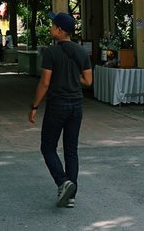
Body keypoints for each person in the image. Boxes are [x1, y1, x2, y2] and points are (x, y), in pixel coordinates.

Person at [28, 12, 91, 208]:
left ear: (60, 30)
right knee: (71, 150)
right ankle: (71, 196)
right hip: (76, 106)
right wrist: (73, 79)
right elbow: (88, 81)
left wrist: (34, 106)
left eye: (52, 25)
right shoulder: (81, 52)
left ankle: (63, 182)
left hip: (57, 106)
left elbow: (45, 82)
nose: (50, 28)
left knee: (47, 147)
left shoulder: (51, 52)